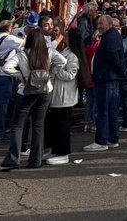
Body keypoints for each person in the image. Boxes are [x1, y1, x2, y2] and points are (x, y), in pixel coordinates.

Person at [0, 25, 65, 171]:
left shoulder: (22, 54)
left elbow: (6, 68)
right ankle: (36, 159)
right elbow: (62, 61)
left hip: (27, 91)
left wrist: (23, 77)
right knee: (38, 125)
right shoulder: (48, 52)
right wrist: (50, 74)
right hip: (45, 89)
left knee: (17, 125)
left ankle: (13, 159)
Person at [86, 13, 126, 151]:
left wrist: (120, 71)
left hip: (106, 78)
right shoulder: (111, 36)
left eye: (101, 24)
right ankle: (111, 138)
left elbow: (113, 58)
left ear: (108, 24)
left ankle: (102, 140)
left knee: (102, 110)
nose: (99, 26)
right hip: (109, 78)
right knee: (110, 110)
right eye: (98, 24)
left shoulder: (111, 37)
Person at [46, 27, 84, 165]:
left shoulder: (73, 56)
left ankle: (63, 152)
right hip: (57, 93)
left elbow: (70, 75)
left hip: (65, 96)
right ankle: (55, 149)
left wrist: (56, 70)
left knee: (62, 126)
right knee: (55, 124)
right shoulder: (65, 51)